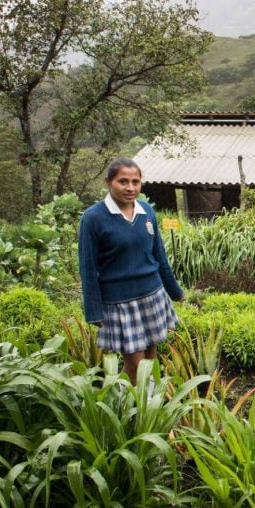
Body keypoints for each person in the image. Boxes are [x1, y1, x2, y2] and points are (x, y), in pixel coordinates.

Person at [79, 158, 184, 384]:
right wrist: (93, 311)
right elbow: (87, 268)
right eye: (123, 181)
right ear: (108, 182)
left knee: (151, 358)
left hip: (152, 295)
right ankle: (134, 401)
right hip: (120, 303)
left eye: (135, 182)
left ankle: (145, 399)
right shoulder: (93, 218)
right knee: (136, 363)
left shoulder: (146, 211)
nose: (130, 188)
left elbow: (159, 255)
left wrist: (175, 291)